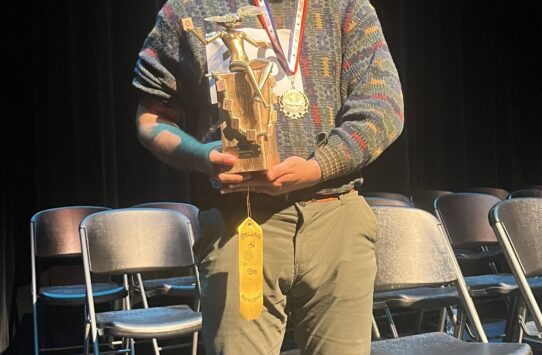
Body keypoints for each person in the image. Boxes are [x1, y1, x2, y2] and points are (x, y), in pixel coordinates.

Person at [133, 0, 404, 354]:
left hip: (335, 219)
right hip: (238, 222)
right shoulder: (189, 9)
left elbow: (383, 108)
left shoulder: (346, 7)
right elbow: (151, 117)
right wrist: (200, 155)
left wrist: (318, 166)